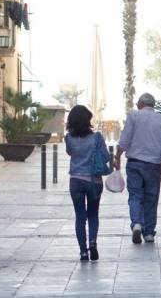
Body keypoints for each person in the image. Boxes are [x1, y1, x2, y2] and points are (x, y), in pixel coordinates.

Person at [114, 93, 161, 244]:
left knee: (135, 195)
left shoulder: (133, 116)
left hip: (135, 163)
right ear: (153, 105)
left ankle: (137, 223)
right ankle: (149, 233)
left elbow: (125, 139)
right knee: (151, 198)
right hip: (154, 164)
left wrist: (117, 156)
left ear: (140, 104)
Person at [64, 105, 109, 261]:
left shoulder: (68, 138)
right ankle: (93, 242)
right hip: (93, 181)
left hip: (75, 181)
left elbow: (70, 152)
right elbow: (105, 156)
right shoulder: (97, 137)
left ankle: (83, 252)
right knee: (93, 214)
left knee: (79, 216)